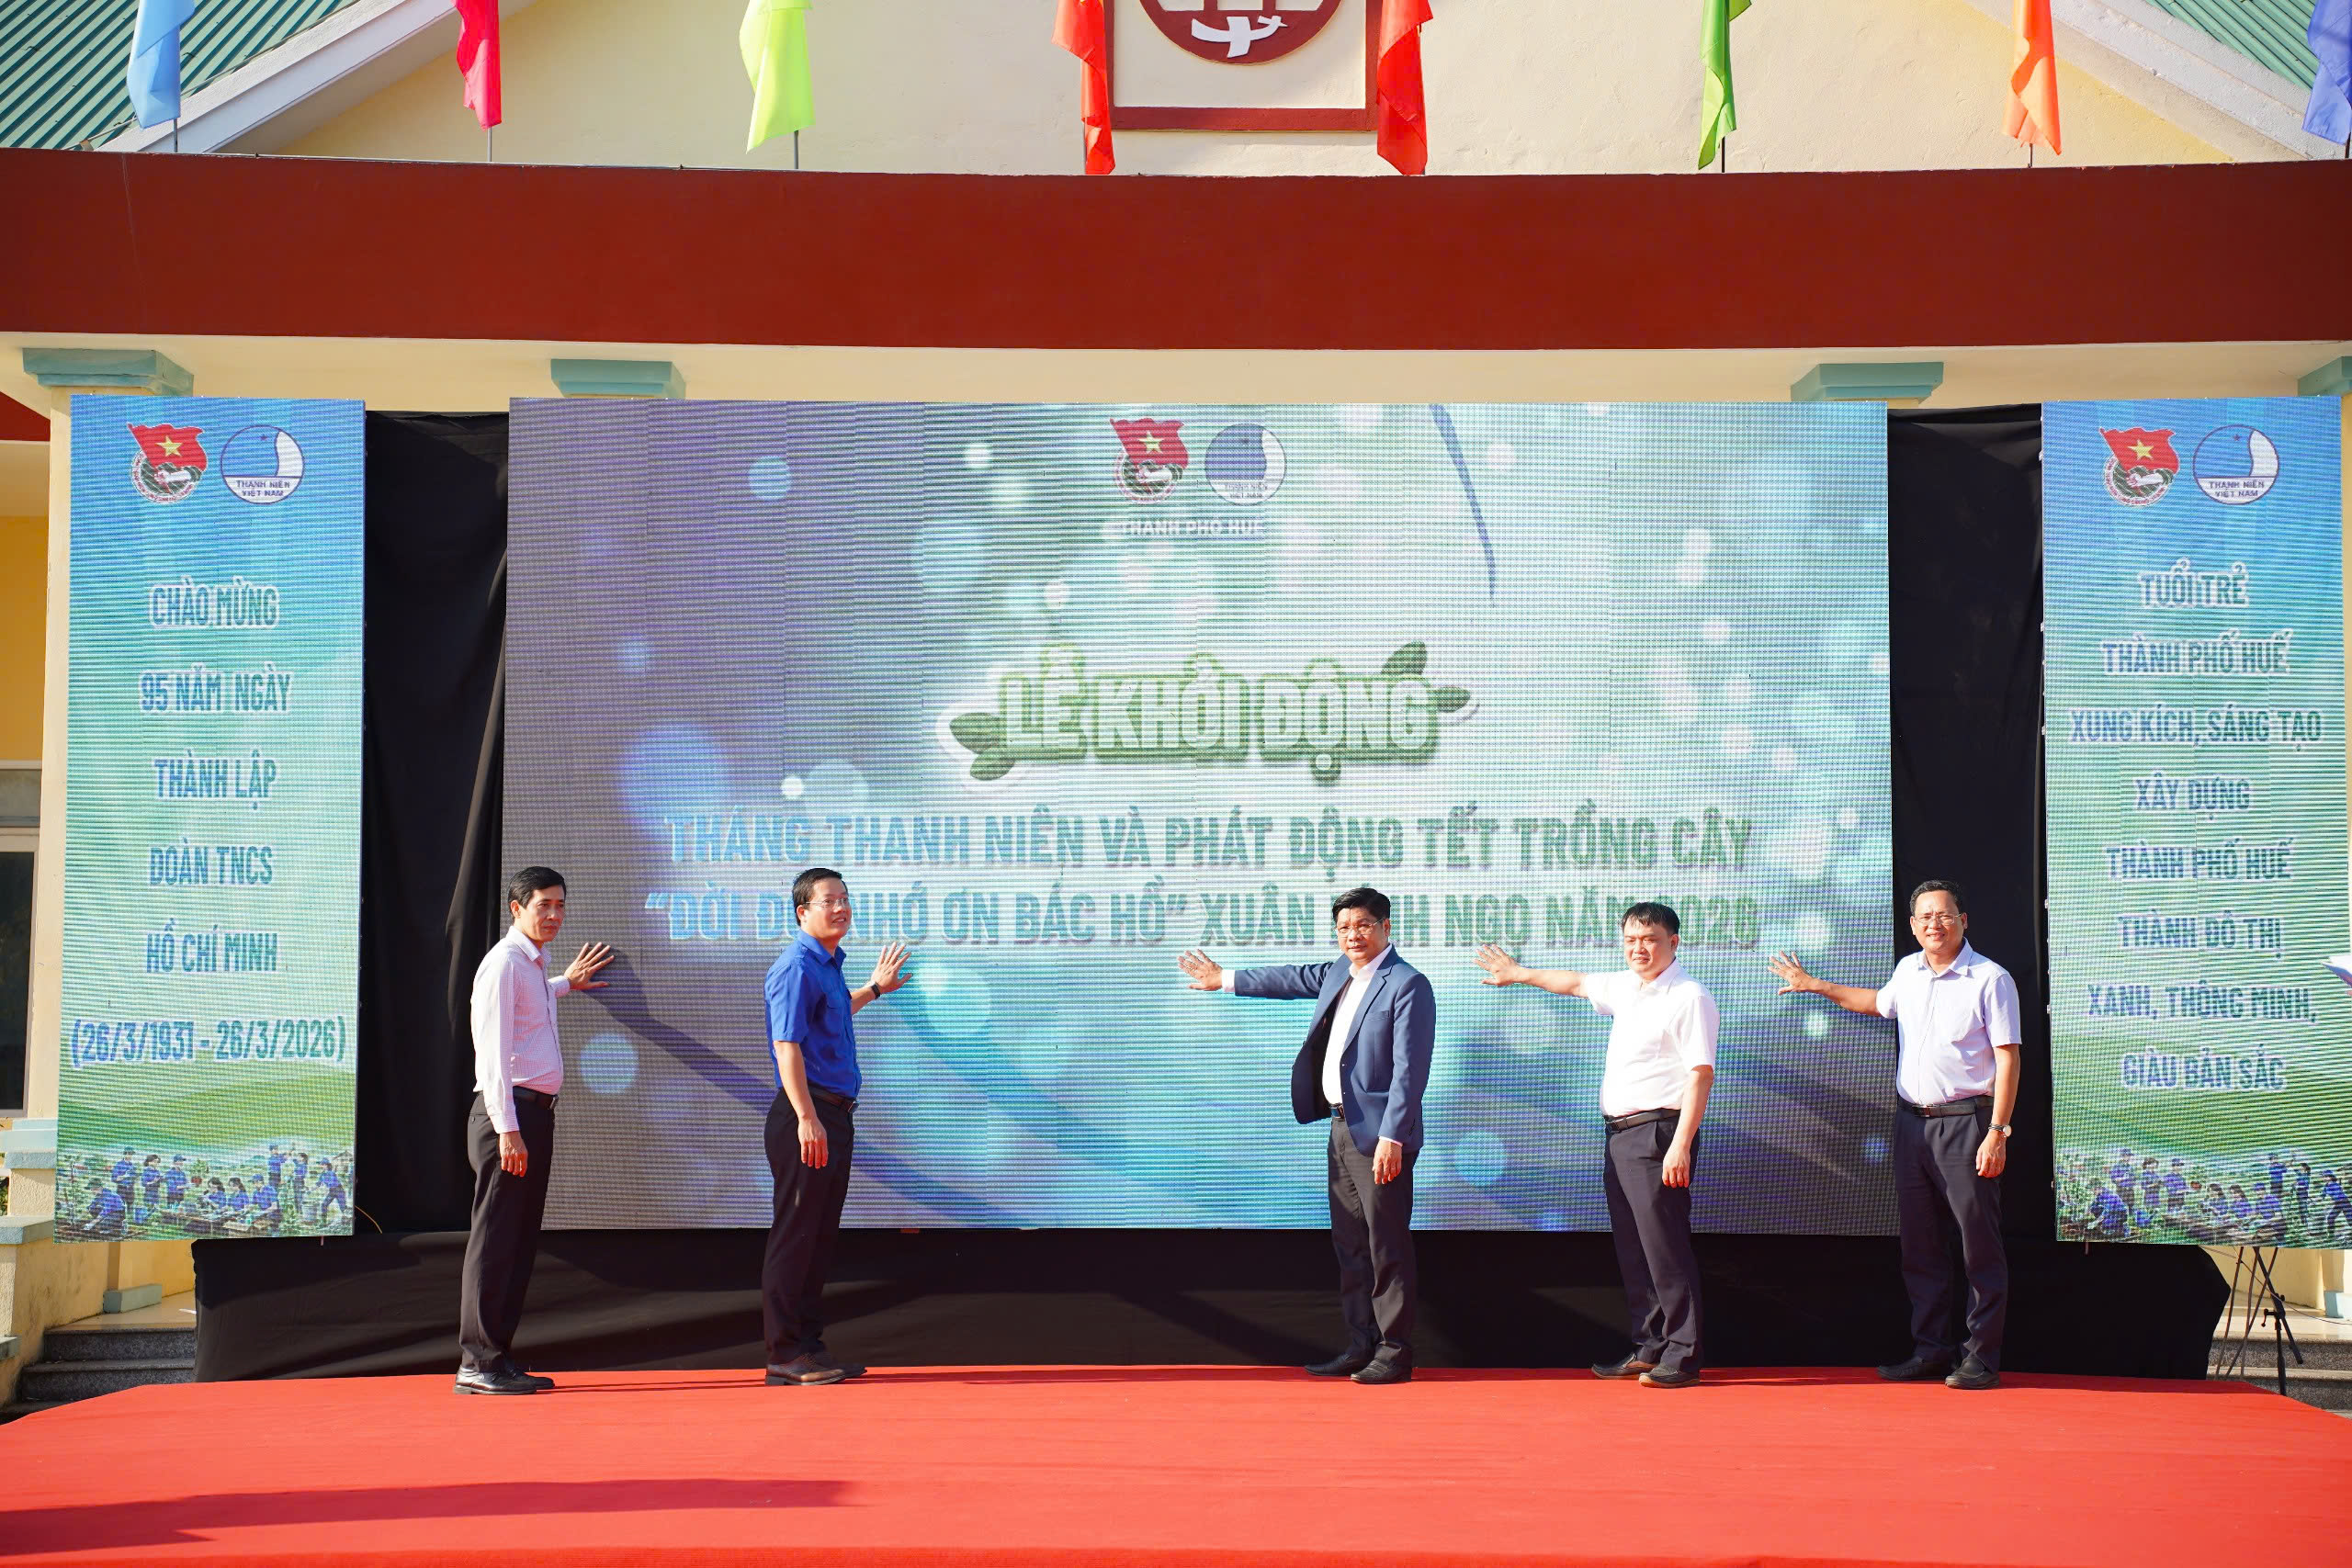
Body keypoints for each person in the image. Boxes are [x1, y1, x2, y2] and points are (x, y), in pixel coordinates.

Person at [1770, 879, 2019, 1392]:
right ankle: (1930, 1350)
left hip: (1967, 1123)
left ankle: (1980, 1358)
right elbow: (1876, 1003)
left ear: (1963, 920)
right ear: (1912, 925)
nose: (1934, 924)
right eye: (1925, 916)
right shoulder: (1908, 970)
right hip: (1911, 1125)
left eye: (1944, 914)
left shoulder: (1990, 979)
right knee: (1921, 1246)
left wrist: (1997, 1130)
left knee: (1977, 1246)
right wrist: (1815, 985)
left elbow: (2008, 1057)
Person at [1180, 886, 1436, 1385]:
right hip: (1340, 1127)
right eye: (1344, 928)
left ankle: (1395, 1352)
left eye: (1363, 925)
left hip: (1381, 1137)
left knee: (1386, 1247)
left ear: (1385, 927)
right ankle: (1360, 1346)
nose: (1353, 935)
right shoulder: (1339, 972)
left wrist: (1393, 1136)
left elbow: (1411, 1072)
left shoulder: (1407, 984)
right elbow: (1290, 978)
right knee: (1350, 1246)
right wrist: (1223, 979)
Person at [1476, 900, 1715, 1389]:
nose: (1638, 948)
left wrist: (1681, 1145)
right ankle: (1649, 1347)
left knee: (1664, 1247)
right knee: (1635, 1248)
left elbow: (1700, 1074)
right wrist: (1519, 974)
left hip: (1659, 1133)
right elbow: (1576, 982)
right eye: (1630, 940)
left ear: (1673, 942)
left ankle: (1684, 1354)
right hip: (1619, 1135)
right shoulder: (1627, 987)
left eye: (1649, 940)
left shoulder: (1689, 996)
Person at [457, 866, 615, 1396]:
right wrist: (508, 1129)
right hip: (509, 1117)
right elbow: (493, 1054)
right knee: (495, 1240)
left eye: (560, 905)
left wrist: (565, 983)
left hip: (533, 1116)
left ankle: (498, 1359)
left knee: (517, 1242)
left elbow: (531, 1006)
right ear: (516, 907)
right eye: (543, 905)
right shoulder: (503, 963)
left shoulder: (531, 966)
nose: (554, 915)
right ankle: (477, 1363)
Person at [761, 866, 910, 1387]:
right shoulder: (796, 966)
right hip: (808, 1115)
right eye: (829, 901)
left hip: (833, 1115)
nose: (841, 908)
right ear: (803, 912)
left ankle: (809, 1350)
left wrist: (874, 988)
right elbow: (787, 1046)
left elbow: (834, 1014)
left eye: (845, 898)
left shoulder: (827, 965)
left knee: (818, 1239)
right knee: (796, 1235)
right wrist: (806, 1117)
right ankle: (784, 1353)